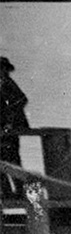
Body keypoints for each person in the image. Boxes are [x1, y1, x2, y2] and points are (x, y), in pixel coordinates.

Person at [1, 56, 30, 198]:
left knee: (12, 159)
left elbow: (22, 100)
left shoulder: (7, 84)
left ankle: (19, 191)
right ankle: (7, 192)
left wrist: (10, 122)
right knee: (6, 161)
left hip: (11, 129)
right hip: (4, 129)